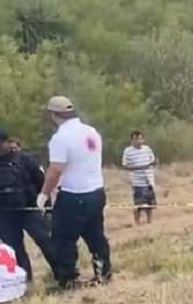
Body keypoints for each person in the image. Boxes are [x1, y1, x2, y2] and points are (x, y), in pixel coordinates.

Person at [38, 95, 112, 289]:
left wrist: (44, 194)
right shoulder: (91, 132)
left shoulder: (61, 138)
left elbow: (55, 169)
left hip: (74, 194)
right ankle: (103, 273)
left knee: (63, 238)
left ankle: (68, 279)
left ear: (54, 115)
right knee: (95, 235)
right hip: (96, 191)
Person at [0, 128, 55, 283]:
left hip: (29, 209)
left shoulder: (24, 159)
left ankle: (63, 275)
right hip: (4, 214)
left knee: (46, 241)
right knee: (14, 249)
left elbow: (41, 182)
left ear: (6, 142)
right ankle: (25, 282)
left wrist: (46, 206)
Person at [121, 130, 158, 226]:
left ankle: (149, 222)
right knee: (138, 204)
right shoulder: (128, 151)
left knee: (150, 204)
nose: (138, 141)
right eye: (136, 139)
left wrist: (153, 164)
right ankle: (137, 223)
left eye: (140, 139)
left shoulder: (147, 149)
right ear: (132, 140)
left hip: (149, 180)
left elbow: (153, 161)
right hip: (137, 182)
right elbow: (125, 166)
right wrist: (139, 167)